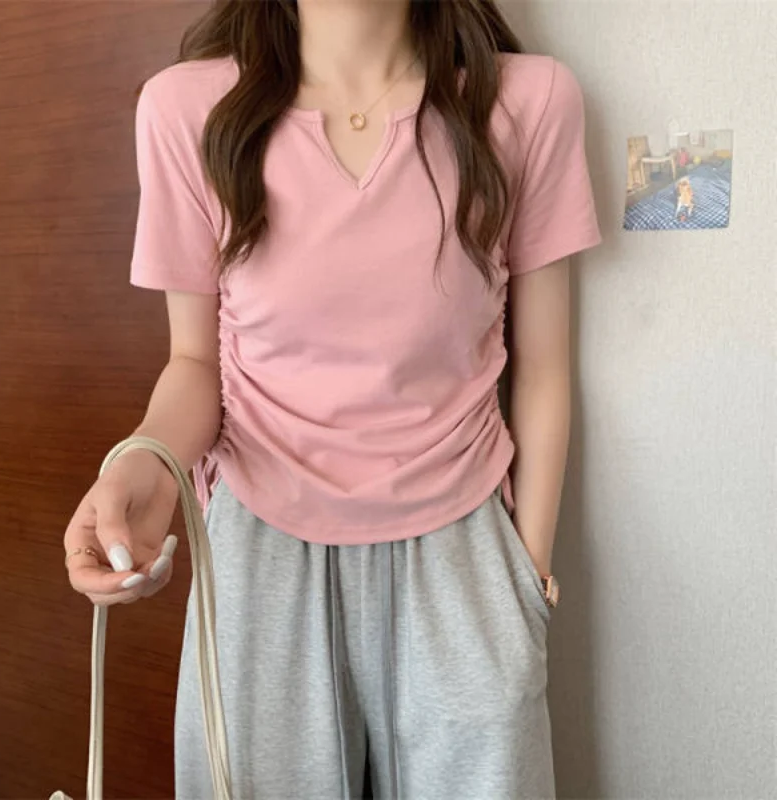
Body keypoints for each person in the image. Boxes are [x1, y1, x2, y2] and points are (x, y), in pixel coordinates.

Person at [64, 0, 601, 797]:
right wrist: (142, 466)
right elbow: (194, 361)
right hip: (261, 555)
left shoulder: (528, 103)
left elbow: (546, 366)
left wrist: (529, 571)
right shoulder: (186, 110)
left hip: (462, 552)